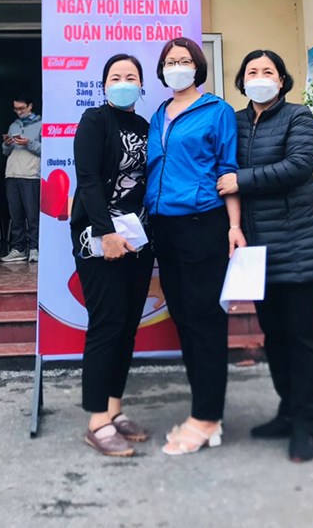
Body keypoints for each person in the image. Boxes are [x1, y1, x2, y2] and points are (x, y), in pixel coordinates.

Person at [217, 49, 313, 463]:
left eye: (269, 71)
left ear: (282, 80)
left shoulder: (298, 116)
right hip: (258, 252)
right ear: (242, 81)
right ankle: (287, 411)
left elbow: (299, 165)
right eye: (252, 71)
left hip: (298, 247)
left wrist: (241, 181)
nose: (260, 77)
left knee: (303, 338)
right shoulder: (234, 121)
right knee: (276, 338)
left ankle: (306, 426)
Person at [145, 37, 244, 456]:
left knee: (205, 320)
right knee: (183, 318)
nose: (177, 67)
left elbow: (228, 169)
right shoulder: (158, 114)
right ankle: (206, 414)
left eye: (184, 60)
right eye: (170, 62)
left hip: (203, 222)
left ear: (197, 67)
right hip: (164, 227)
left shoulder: (217, 110)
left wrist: (234, 225)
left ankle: (205, 417)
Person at [70, 53, 154, 458]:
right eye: (116, 77)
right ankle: (97, 421)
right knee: (106, 325)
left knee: (126, 326)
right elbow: (87, 179)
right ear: (104, 85)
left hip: (138, 238)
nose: (123, 82)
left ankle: (115, 411)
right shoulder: (94, 121)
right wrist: (105, 233)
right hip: (98, 237)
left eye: (131, 76)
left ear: (141, 85)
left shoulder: (146, 127)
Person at [1, 95, 42, 264]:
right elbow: (5, 152)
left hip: (31, 174)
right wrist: (7, 143)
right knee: (15, 215)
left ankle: (34, 248)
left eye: (21, 108)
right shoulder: (13, 125)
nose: (19, 112)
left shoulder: (41, 124)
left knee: (32, 215)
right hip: (12, 174)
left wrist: (28, 143)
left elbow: (46, 149)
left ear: (30, 106)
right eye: (16, 109)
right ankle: (18, 248)